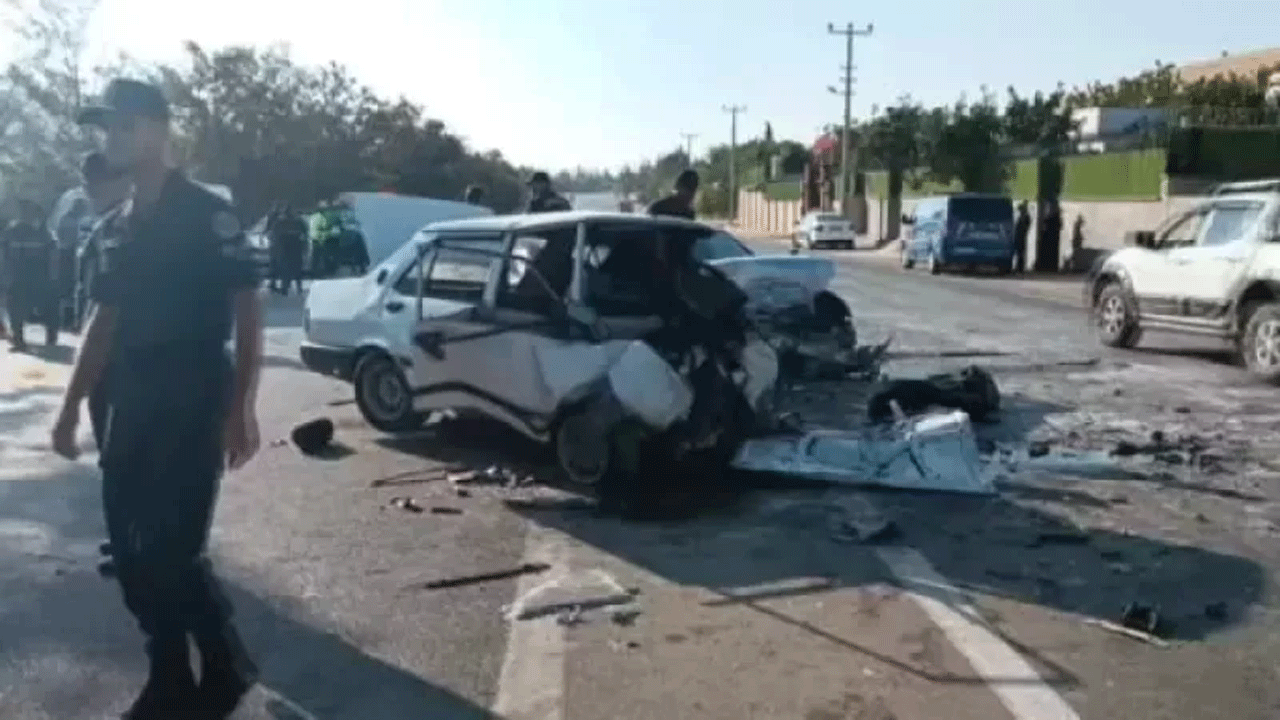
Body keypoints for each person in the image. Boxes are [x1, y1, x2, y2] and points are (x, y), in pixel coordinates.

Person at [53, 78, 262, 719]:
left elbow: (248, 310)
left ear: (159, 131)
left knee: (172, 548)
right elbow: (102, 320)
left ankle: (219, 666)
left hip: (195, 388)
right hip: (131, 397)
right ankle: (173, 671)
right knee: (129, 549)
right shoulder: (115, 224)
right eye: (105, 128)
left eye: (124, 126)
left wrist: (242, 408)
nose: (111, 139)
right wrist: (68, 408)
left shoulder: (206, 213)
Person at [79, 151, 131, 453]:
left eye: (98, 180)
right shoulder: (99, 227)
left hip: (123, 356)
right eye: (86, 180)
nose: (90, 188)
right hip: (106, 357)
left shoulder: (127, 225)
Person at [2, 199, 58, 350]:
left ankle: (51, 338)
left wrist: (53, 277)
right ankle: (19, 340)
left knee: (48, 307)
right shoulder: (11, 231)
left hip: (39, 276)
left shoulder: (43, 232)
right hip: (17, 276)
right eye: (23, 212)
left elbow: (52, 254)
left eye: (28, 212)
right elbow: (4, 254)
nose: (25, 215)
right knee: (14, 308)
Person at [270, 203, 307, 295]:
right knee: (297, 269)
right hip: (295, 248)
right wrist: (304, 247)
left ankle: (285, 288)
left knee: (285, 270)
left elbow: (274, 236)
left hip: (285, 249)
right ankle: (298, 288)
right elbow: (305, 234)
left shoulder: (279, 222)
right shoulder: (298, 221)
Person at [1013, 201, 1031, 273]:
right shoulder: (1023, 217)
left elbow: (1024, 227)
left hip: (1021, 236)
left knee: (1021, 253)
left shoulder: (1025, 217)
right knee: (1019, 252)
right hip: (1020, 236)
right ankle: (1019, 267)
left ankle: (1020, 268)